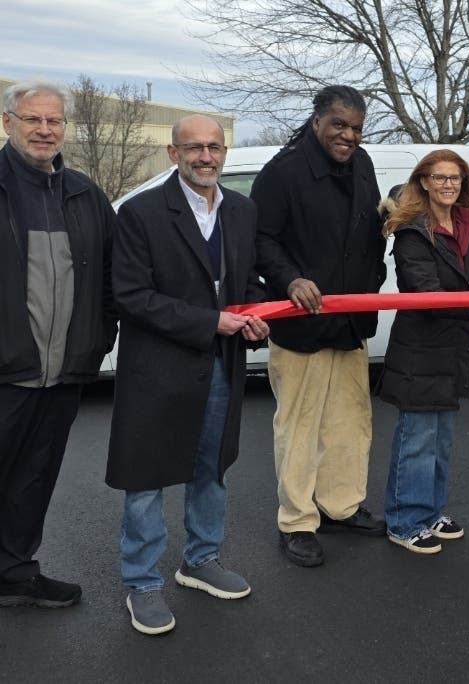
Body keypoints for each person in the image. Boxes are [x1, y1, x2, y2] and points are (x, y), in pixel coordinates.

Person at [106, 114, 269, 635]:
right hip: (158, 367)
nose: (206, 156)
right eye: (194, 147)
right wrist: (211, 322)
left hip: (221, 363)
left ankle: (200, 559)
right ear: (173, 154)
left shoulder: (242, 211)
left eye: (214, 147)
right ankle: (142, 583)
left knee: (211, 467)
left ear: (225, 152)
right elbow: (130, 297)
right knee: (148, 475)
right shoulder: (140, 213)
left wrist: (258, 316)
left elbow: (247, 280)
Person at [251, 85, 387, 568]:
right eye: (339, 125)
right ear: (317, 122)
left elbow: (368, 226)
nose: (347, 135)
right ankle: (297, 520)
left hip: (350, 322)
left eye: (355, 127)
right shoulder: (282, 172)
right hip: (303, 325)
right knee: (300, 427)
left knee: (351, 423)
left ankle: (340, 506)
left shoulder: (364, 163)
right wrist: (289, 279)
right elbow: (260, 238)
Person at [0, 80, 117, 609]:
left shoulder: (85, 195)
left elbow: (119, 273)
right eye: (32, 119)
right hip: (6, 369)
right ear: (8, 123)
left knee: (34, 478)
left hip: (65, 371)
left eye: (54, 121)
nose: (44, 130)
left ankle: (15, 572)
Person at [376, 151, 469, 554]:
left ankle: (430, 512)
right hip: (420, 347)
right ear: (425, 182)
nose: (449, 184)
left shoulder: (464, 222)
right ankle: (403, 520)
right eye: (440, 177)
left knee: (441, 439)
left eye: (456, 178)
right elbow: (424, 292)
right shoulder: (412, 231)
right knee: (416, 438)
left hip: (452, 345)